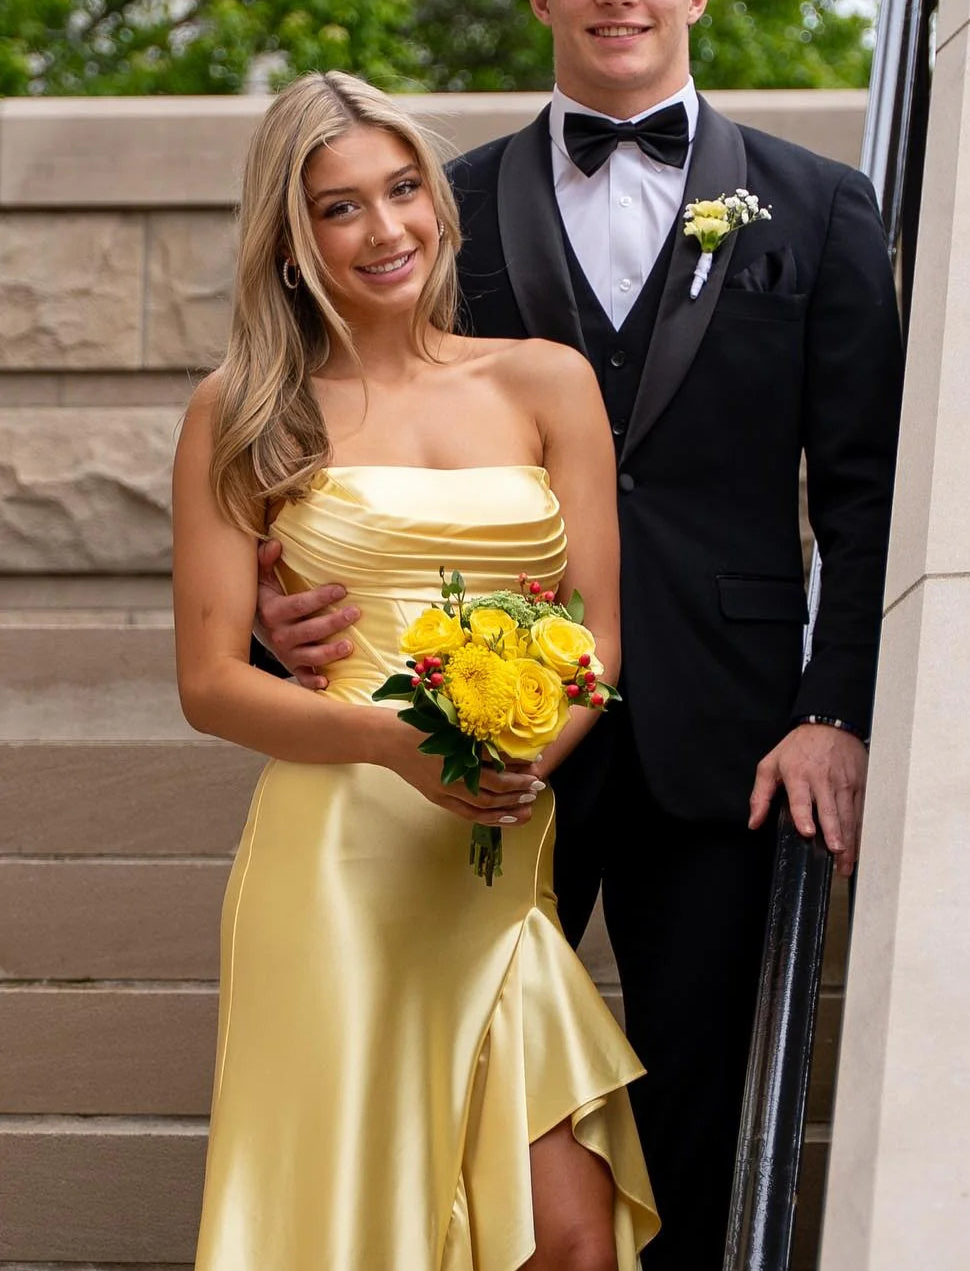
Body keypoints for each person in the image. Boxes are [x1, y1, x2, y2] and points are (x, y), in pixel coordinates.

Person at [257, 0, 903, 1269]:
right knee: (464, 1089)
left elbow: (866, 498)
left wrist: (833, 710)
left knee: (697, 1103)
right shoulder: (435, 206)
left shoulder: (817, 207)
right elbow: (318, 428)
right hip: (473, 726)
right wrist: (269, 614)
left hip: (730, 734)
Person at [172, 70, 658, 1270]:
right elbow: (210, 683)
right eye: (338, 207)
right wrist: (399, 743)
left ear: (438, 203)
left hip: (496, 845)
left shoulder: (546, 380)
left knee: (572, 1239)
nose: (384, 228)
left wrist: (511, 763)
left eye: (401, 190)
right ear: (291, 242)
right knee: (361, 1222)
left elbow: (597, 637)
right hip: (338, 862)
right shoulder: (243, 412)